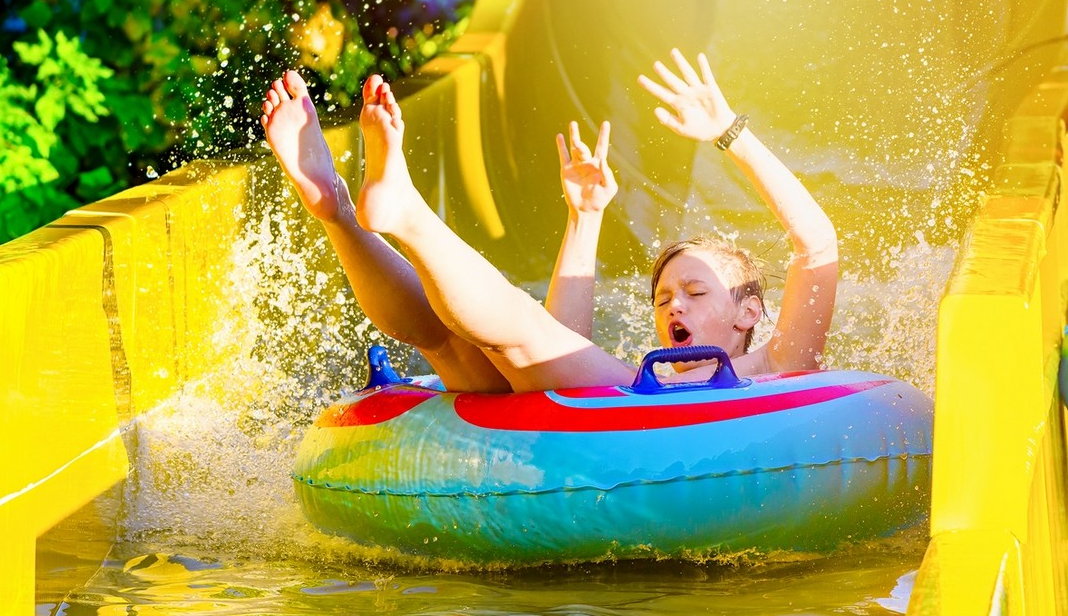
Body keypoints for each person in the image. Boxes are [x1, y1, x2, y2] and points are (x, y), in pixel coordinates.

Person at [260, 49, 837, 393]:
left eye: (692, 292)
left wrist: (730, 134)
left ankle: (398, 210)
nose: (673, 307)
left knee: (512, 340)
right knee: (449, 343)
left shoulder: (781, 366)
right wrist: (585, 220)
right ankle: (338, 208)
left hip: (648, 410)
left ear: (750, 311)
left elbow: (816, 247)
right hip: (600, 403)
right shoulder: (646, 378)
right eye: (662, 299)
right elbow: (566, 342)